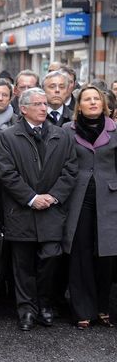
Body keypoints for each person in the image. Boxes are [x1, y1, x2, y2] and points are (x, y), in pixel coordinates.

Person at [0, 87, 77, 331]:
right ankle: (26, 310)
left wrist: (53, 197)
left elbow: (70, 169)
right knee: (22, 265)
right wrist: (31, 198)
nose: (44, 108)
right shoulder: (9, 136)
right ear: (24, 108)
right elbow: (7, 173)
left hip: (51, 211)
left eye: (45, 104)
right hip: (21, 212)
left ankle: (44, 304)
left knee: (50, 257)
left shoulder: (61, 135)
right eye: (38, 104)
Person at [62, 84, 117, 329]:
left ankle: (103, 307)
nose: (93, 102)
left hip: (110, 199)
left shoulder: (116, 131)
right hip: (78, 198)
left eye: (97, 98)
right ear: (79, 105)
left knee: (106, 254)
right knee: (80, 253)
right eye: (87, 99)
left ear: (104, 104)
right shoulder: (66, 131)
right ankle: (82, 309)